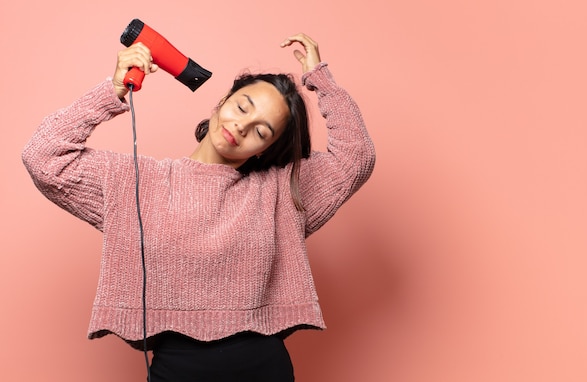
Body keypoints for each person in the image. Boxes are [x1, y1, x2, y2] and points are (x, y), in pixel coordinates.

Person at [22, 32, 375, 381]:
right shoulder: (136, 182)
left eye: (261, 131)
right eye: (241, 107)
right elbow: (43, 156)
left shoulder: (281, 192)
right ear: (223, 101)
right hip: (176, 368)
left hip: (263, 367)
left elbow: (357, 156)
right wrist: (111, 91)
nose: (241, 125)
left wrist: (321, 81)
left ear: (265, 150)